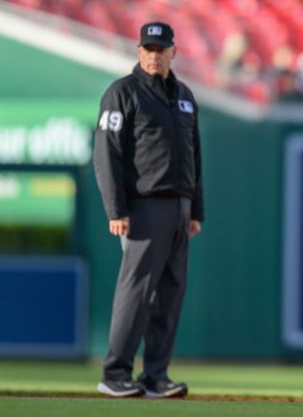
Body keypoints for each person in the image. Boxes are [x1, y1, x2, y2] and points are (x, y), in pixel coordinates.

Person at [93, 22, 203, 398]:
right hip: (143, 206)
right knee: (136, 292)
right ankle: (115, 371)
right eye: (148, 48)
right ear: (138, 51)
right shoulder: (122, 93)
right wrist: (116, 208)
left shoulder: (184, 95)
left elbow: (195, 154)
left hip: (179, 205)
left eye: (161, 49)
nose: (154, 55)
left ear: (174, 52)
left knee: (170, 295)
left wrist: (195, 210)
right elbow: (106, 156)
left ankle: (155, 375)